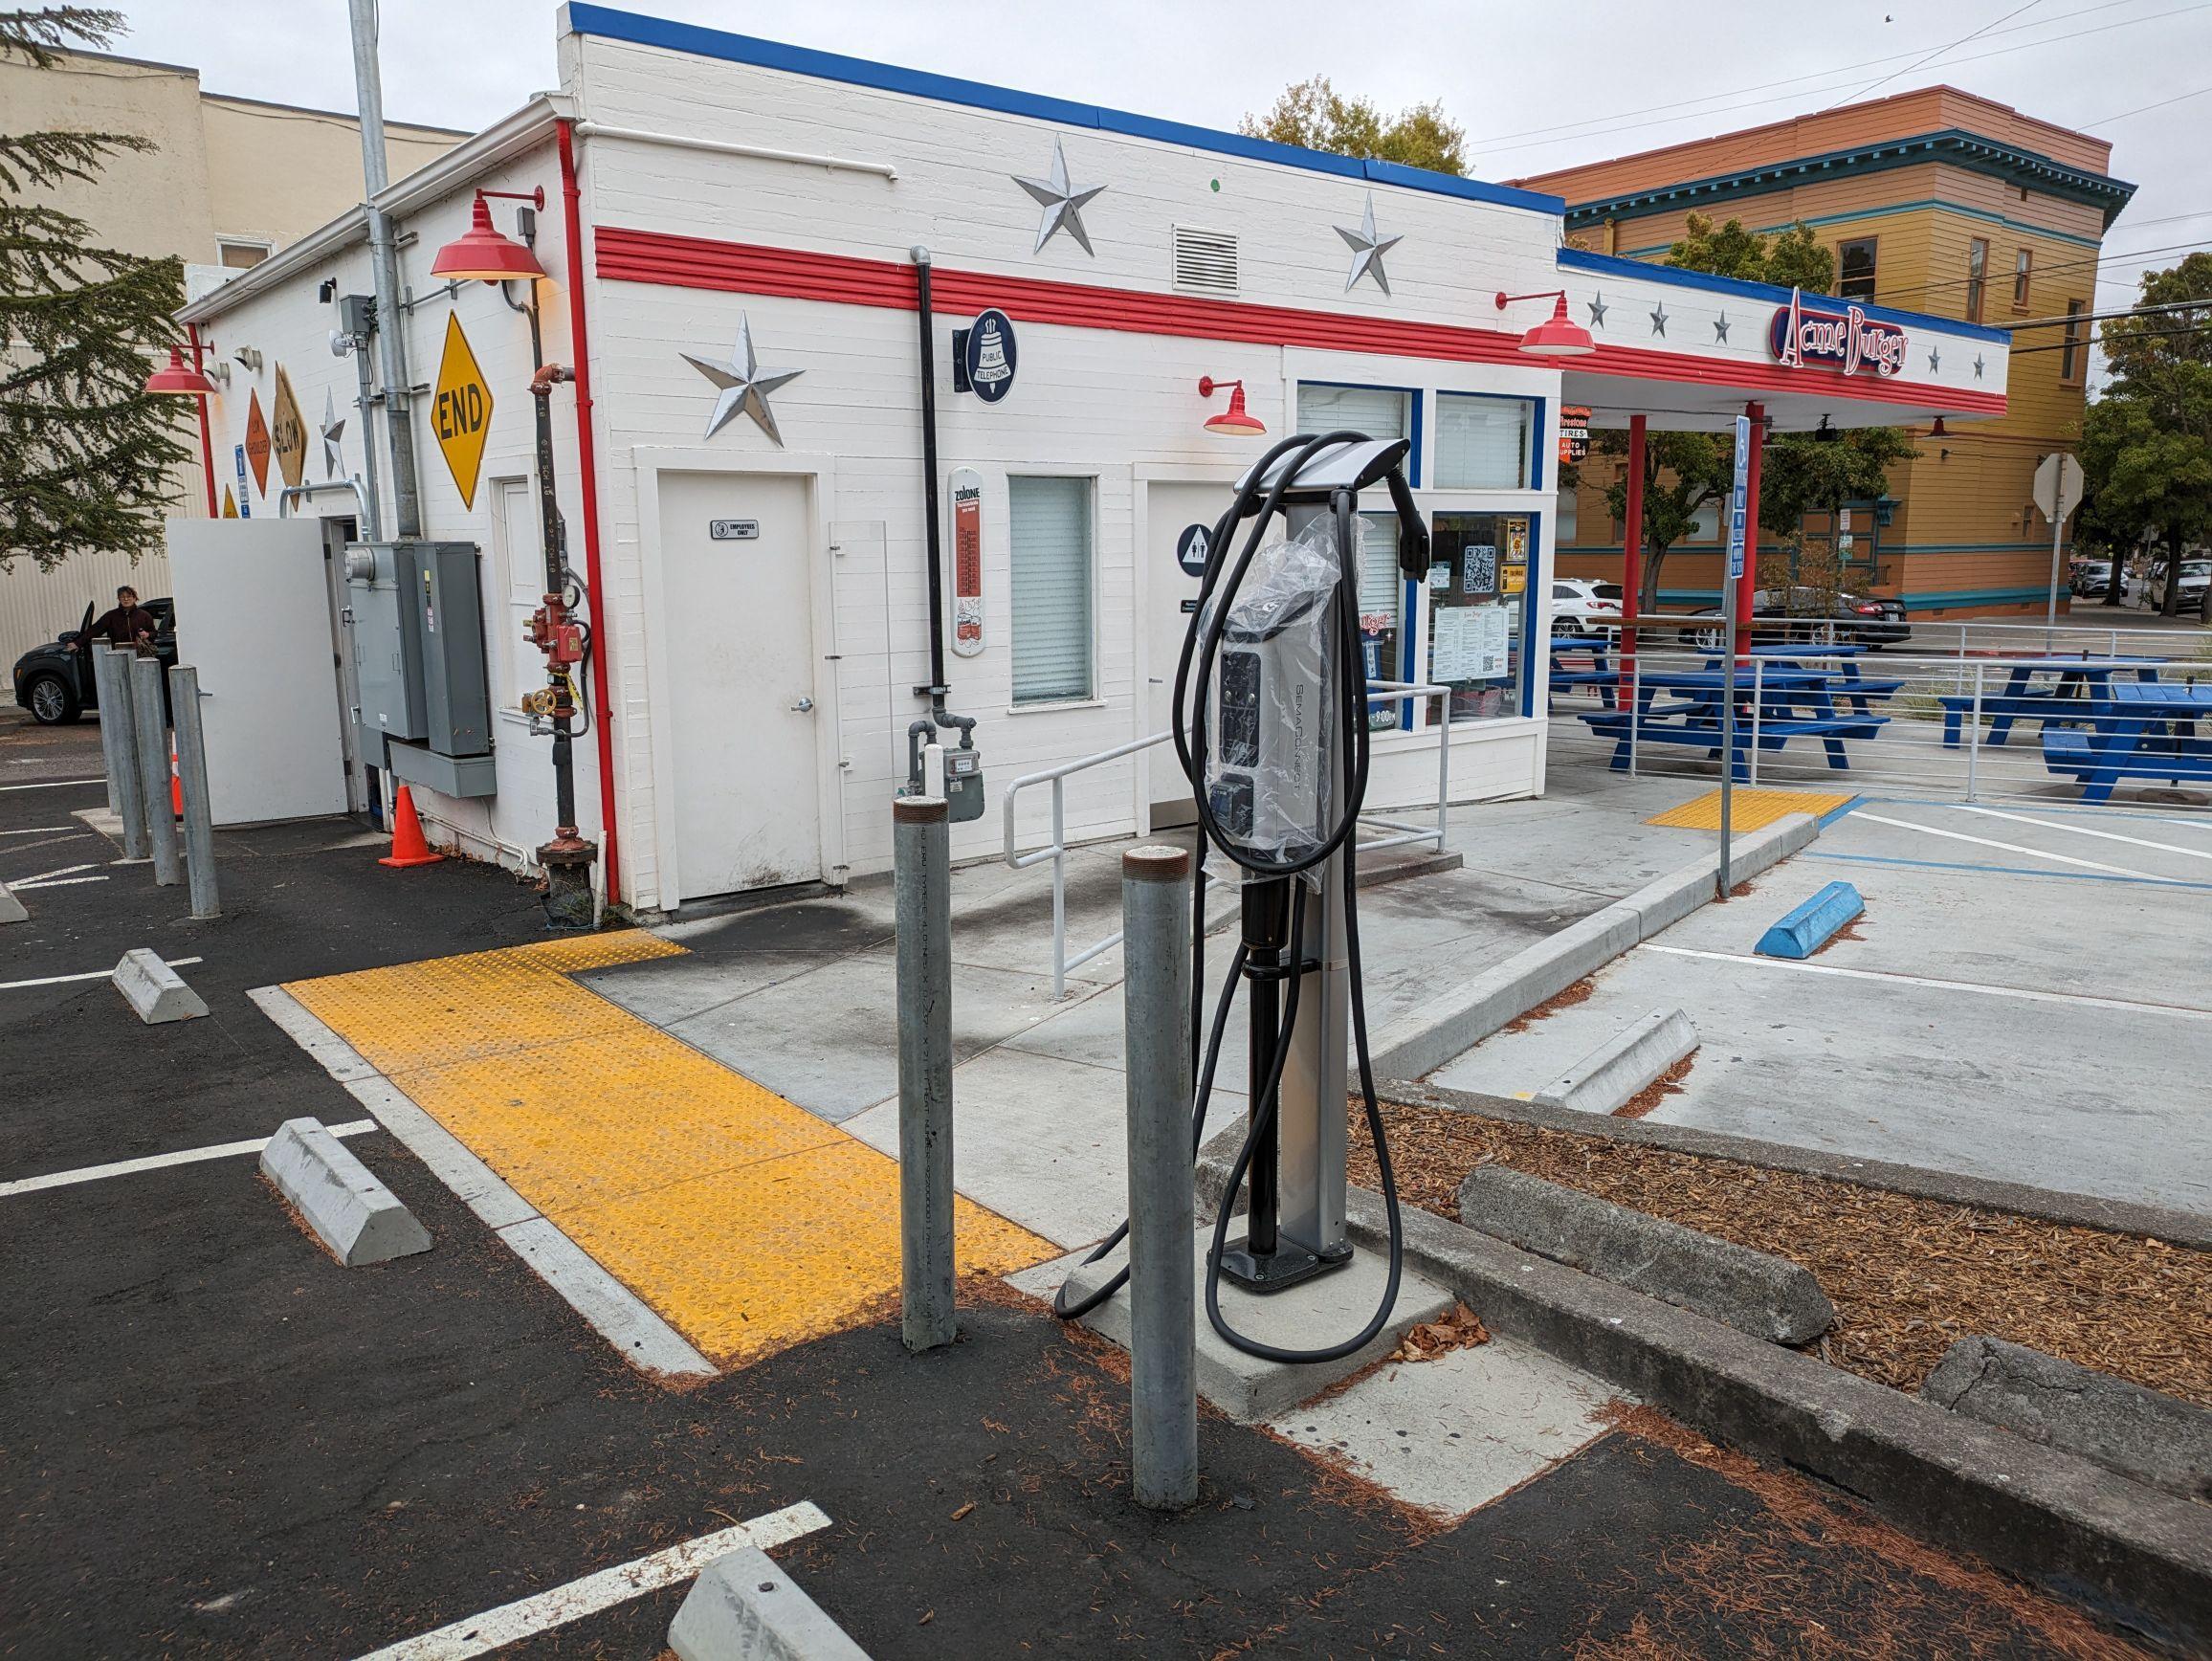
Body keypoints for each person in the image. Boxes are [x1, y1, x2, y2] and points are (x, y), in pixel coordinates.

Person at [69, 586, 159, 655]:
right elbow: (94, 630)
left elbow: (154, 633)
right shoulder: (111, 616)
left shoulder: (144, 615)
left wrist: (148, 634)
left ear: (135, 598)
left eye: (129, 596)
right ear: (119, 599)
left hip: (139, 654)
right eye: (122, 597)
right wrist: (78, 643)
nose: (126, 599)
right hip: (118, 655)